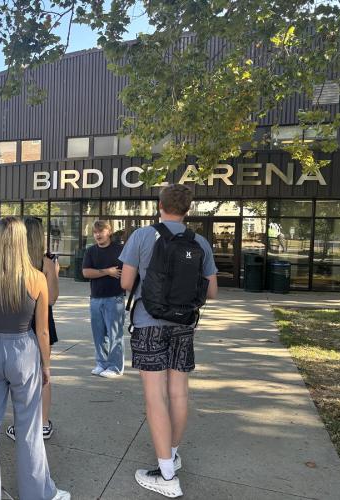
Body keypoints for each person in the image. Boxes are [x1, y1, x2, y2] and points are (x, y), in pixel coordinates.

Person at [120, 184, 218, 498]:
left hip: (149, 323)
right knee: (178, 393)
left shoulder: (142, 236)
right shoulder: (199, 241)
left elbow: (125, 282)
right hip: (183, 325)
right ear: (188, 209)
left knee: (155, 397)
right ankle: (172, 454)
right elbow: (212, 291)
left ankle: (166, 475)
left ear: (159, 204)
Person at [0, 217, 70, 500]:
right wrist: (46, 365)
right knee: (28, 427)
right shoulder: (37, 278)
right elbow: (42, 331)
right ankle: (36, 493)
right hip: (23, 352)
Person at [6, 216, 60, 441]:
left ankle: (21, 425)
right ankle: (43, 423)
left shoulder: (10, 261)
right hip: (42, 322)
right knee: (43, 373)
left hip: (16, 321)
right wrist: (53, 273)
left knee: (19, 376)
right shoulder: (46, 263)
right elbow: (51, 299)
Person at [82, 220, 125, 378]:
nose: (98, 234)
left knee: (115, 335)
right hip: (95, 299)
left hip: (115, 298)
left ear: (109, 232)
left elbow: (125, 271)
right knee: (99, 335)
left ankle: (115, 367)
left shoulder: (120, 250)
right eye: (95, 232)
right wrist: (107, 271)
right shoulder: (90, 251)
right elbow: (86, 273)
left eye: (101, 231)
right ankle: (102, 363)